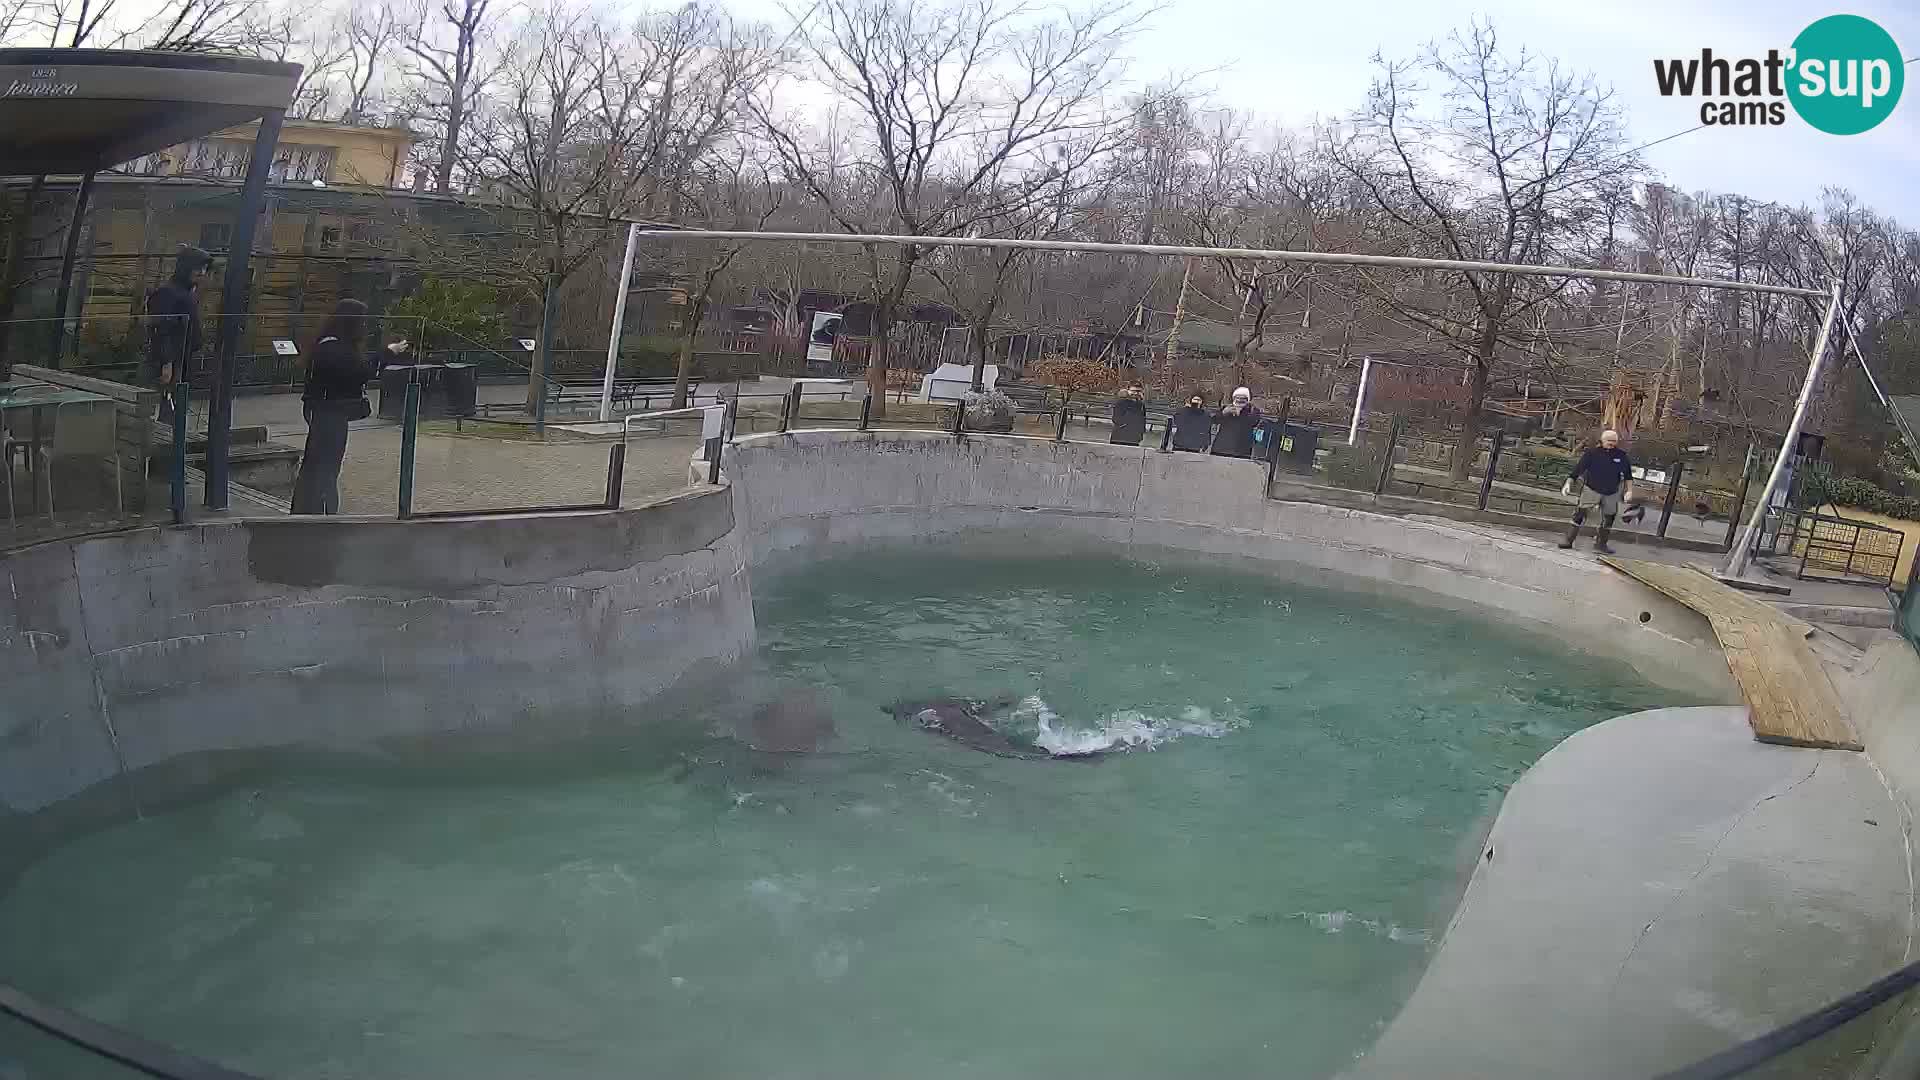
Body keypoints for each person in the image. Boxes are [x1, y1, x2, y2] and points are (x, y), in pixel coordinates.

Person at [291, 299, 375, 515]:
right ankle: (320, 510)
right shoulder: (333, 348)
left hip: (324, 409)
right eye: (362, 322)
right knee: (326, 465)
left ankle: (313, 508)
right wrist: (385, 355)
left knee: (319, 463)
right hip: (329, 411)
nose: (364, 328)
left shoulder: (330, 345)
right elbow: (358, 372)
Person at [143, 246, 211, 421]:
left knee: (178, 403)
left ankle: (172, 437)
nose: (202, 273)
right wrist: (167, 362)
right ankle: (168, 439)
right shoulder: (168, 292)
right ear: (186, 268)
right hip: (174, 358)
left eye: (204, 268)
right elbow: (161, 330)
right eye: (198, 268)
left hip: (184, 356)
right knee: (171, 403)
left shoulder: (186, 293)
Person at [1560, 428, 1635, 554]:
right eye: (1608, 440)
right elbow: (1578, 470)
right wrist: (1568, 484)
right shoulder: (1592, 453)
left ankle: (1601, 545)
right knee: (1580, 513)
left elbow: (1628, 476)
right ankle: (1568, 540)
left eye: (1614, 441)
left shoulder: (1621, 456)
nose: (1611, 443)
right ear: (1602, 440)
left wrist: (1629, 491)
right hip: (1591, 489)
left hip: (1611, 491)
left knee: (1609, 517)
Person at [1209, 386, 1263, 458]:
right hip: (1221, 448)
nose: (1239, 400)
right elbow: (1214, 420)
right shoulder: (1227, 408)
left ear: (1248, 399)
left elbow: (1254, 422)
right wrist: (1223, 413)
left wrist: (1242, 412)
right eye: (1237, 397)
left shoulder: (1253, 410)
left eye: (1243, 398)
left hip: (1241, 450)